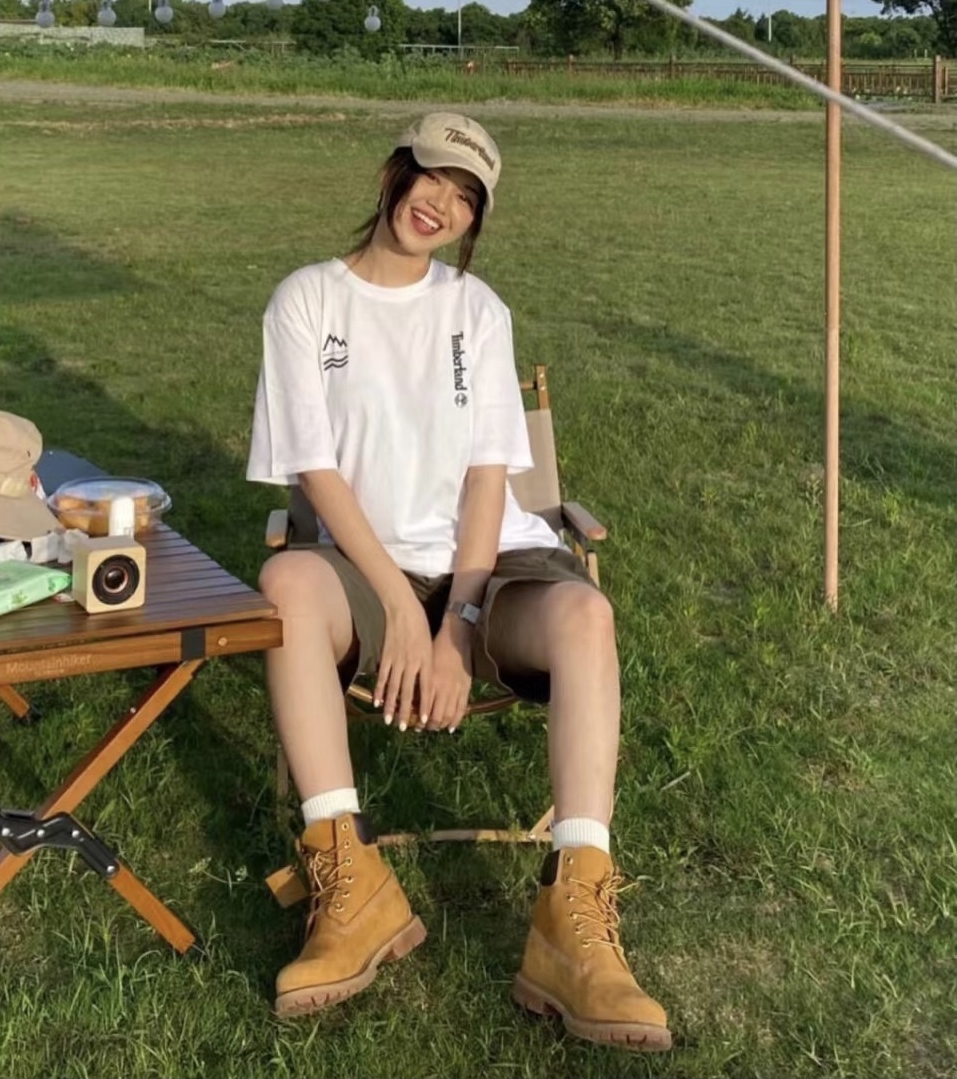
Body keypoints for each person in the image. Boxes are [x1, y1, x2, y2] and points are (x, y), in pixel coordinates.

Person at [246, 112, 671, 1053]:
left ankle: (574, 924)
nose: (440, 204)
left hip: (491, 562)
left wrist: (457, 621)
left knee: (584, 613)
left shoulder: (476, 311)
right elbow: (314, 468)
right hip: (366, 568)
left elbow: (487, 475)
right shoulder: (306, 300)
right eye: (431, 177)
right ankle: (350, 883)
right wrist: (403, 610)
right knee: (285, 580)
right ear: (394, 173)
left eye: (466, 197)